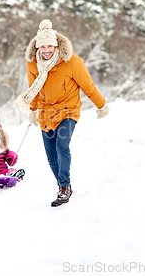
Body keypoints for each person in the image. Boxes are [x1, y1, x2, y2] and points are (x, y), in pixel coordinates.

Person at [17, 19, 109, 207]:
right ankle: (63, 184)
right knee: (51, 154)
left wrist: (102, 106)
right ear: (37, 47)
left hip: (68, 111)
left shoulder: (72, 62)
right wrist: (33, 110)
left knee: (62, 146)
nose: (46, 50)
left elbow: (88, 86)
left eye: (49, 45)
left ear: (56, 44)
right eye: (42, 46)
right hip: (46, 113)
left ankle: (64, 188)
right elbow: (33, 88)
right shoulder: (33, 65)